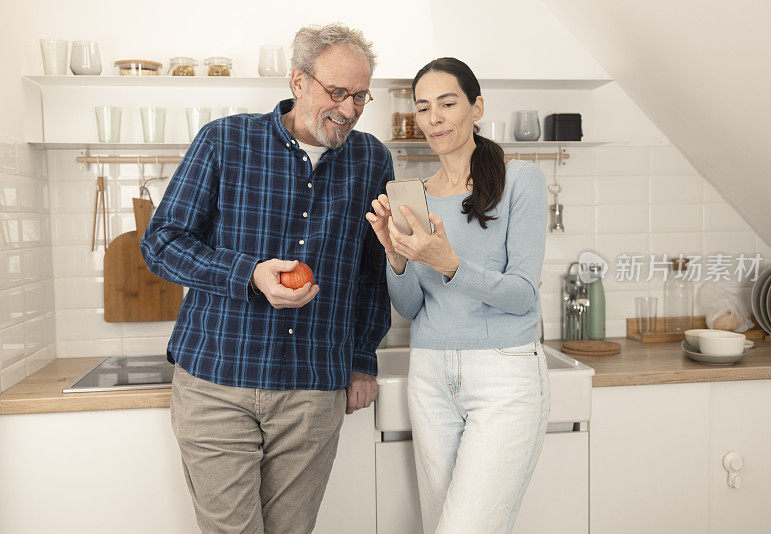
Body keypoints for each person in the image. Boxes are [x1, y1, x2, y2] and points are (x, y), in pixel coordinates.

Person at [140, 23, 393, 534]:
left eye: (361, 96)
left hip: (312, 389)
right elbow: (161, 243)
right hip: (217, 381)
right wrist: (248, 273)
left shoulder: (371, 158)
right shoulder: (225, 140)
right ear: (298, 81)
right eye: (338, 93)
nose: (349, 109)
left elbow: (371, 272)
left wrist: (363, 360)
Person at [365, 57, 550, 534]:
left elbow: (523, 295)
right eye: (423, 107)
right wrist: (397, 257)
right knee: (440, 524)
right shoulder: (414, 193)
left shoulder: (519, 180)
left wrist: (448, 262)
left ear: (476, 107)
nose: (434, 118)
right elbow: (408, 307)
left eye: (447, 103)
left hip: (503, 376)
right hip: (429, 375)